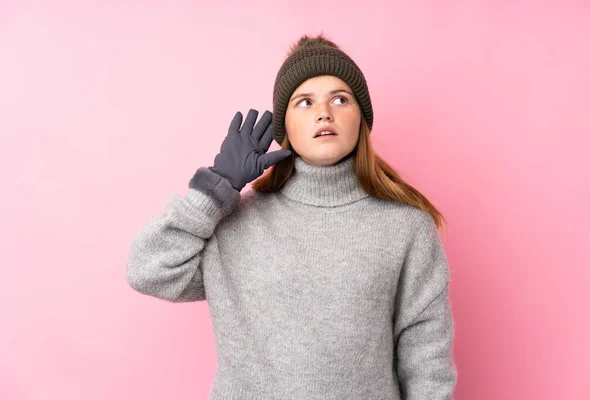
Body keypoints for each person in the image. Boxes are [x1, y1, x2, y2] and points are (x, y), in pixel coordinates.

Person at [127, 32, 458, 399]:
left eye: (340, 98)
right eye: (304, 101)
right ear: (283, 127)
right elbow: (149, 269)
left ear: (361, 119)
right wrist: (215, 188)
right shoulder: (234, 223)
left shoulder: (405, 228)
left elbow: (428, 365)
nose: (323, 112)